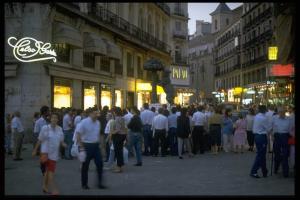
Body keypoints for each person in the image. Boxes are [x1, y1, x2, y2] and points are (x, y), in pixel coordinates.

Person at [32, 113, 67, 195]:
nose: (54, 119)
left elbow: (61, 141)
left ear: (58, 120)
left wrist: (64, 144)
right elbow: (40, 140)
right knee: (51, 172)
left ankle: (44, 187)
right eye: (53, 118)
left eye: (56, 118)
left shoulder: (60, 129)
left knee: (47, 172)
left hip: (54, 154)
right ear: (50, 119)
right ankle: (54, 189)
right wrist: (35, 150)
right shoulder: (45, 128)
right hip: (45, 154)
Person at [77, 108, 107, 189]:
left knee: (100, 163)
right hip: (86, 145)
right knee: (85, 166)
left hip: (96, 146)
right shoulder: (84, 122)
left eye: (97, 113)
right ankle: (84, 184)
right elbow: (78, 134)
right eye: (95, 113)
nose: (97, 115)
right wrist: (81, 148)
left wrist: (102, 147)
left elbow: (99, 135)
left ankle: (100, 183)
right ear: (90, 114)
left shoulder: (98, 123)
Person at [250, 105, 271, 178]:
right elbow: (268, 128)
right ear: (265, 110)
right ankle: (254, 171)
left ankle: (264, 171)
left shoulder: (257, 116)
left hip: (257, 136)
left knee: (262, 155)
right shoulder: (263, 118)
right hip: (261, 136)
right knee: (260, 155)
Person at [271, 107, 291, 178]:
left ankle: (285, 172)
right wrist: (272, 135)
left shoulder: (288, 119)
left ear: (285, 112)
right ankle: (276, 168)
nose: (281, 114)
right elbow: (271, 128)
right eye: (280, 112)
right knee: (277, 154)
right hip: (277, 137)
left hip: (285, 137)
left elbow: (290, 130)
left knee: (285, 155)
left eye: (283, 112)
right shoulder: (274, 118)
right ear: (278, 113)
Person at [111, 107, 127, 173]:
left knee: (117, 152)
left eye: (113, 112)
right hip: (123, 135)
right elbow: (125, 127)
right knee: (120, 151)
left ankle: (118, 167)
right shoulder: (123, 118)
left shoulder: (117, 118)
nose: (113, 113)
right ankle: (121, 167)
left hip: (118, 136)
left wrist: (112, 133)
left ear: (115, 112)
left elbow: (117, 129)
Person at [288, 105, 295, 173]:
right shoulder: (291, 117)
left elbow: (289, 129)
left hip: (293, 137)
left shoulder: (291, 117)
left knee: (293, 153)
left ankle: (293, 166)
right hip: (293, 138)